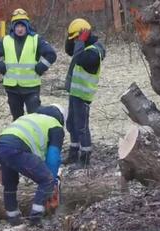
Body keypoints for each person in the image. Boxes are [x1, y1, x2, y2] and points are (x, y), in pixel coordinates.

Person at [0, 104, 67, 226]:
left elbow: (11, 140)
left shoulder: (29, 117)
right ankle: (36, 218)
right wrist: (53, 181)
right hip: (18, 148)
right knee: (47, 180)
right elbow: (53, 157)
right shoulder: (55, 126)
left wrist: (3, 167)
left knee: (10, 183)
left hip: (1, 145)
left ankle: (13, 217)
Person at [0, 8, 57, 121]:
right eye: (17, 26)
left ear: (27, 26)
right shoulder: (6, 40)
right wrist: (0, 66)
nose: (20, 29)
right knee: (17, 119)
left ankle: (34, 137)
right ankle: (20, 138)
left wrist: (41, 67)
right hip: (12, 88)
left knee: (34, 118)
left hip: (31, 88)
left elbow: (51, 54)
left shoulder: (36, 39)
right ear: (13, 27)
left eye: (22, 26)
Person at [63, 18, 106, 168]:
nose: (75, 42)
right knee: (71, 124)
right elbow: (69, 51)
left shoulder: (94, 52)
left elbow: (80, 59)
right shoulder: (83, 46)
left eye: (76, 39)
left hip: (83, 95)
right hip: (75, 92)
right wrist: (72, 36)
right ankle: (73, 154)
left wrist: (80, 41)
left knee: (81, 127)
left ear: (84, 36)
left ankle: (85, 158)